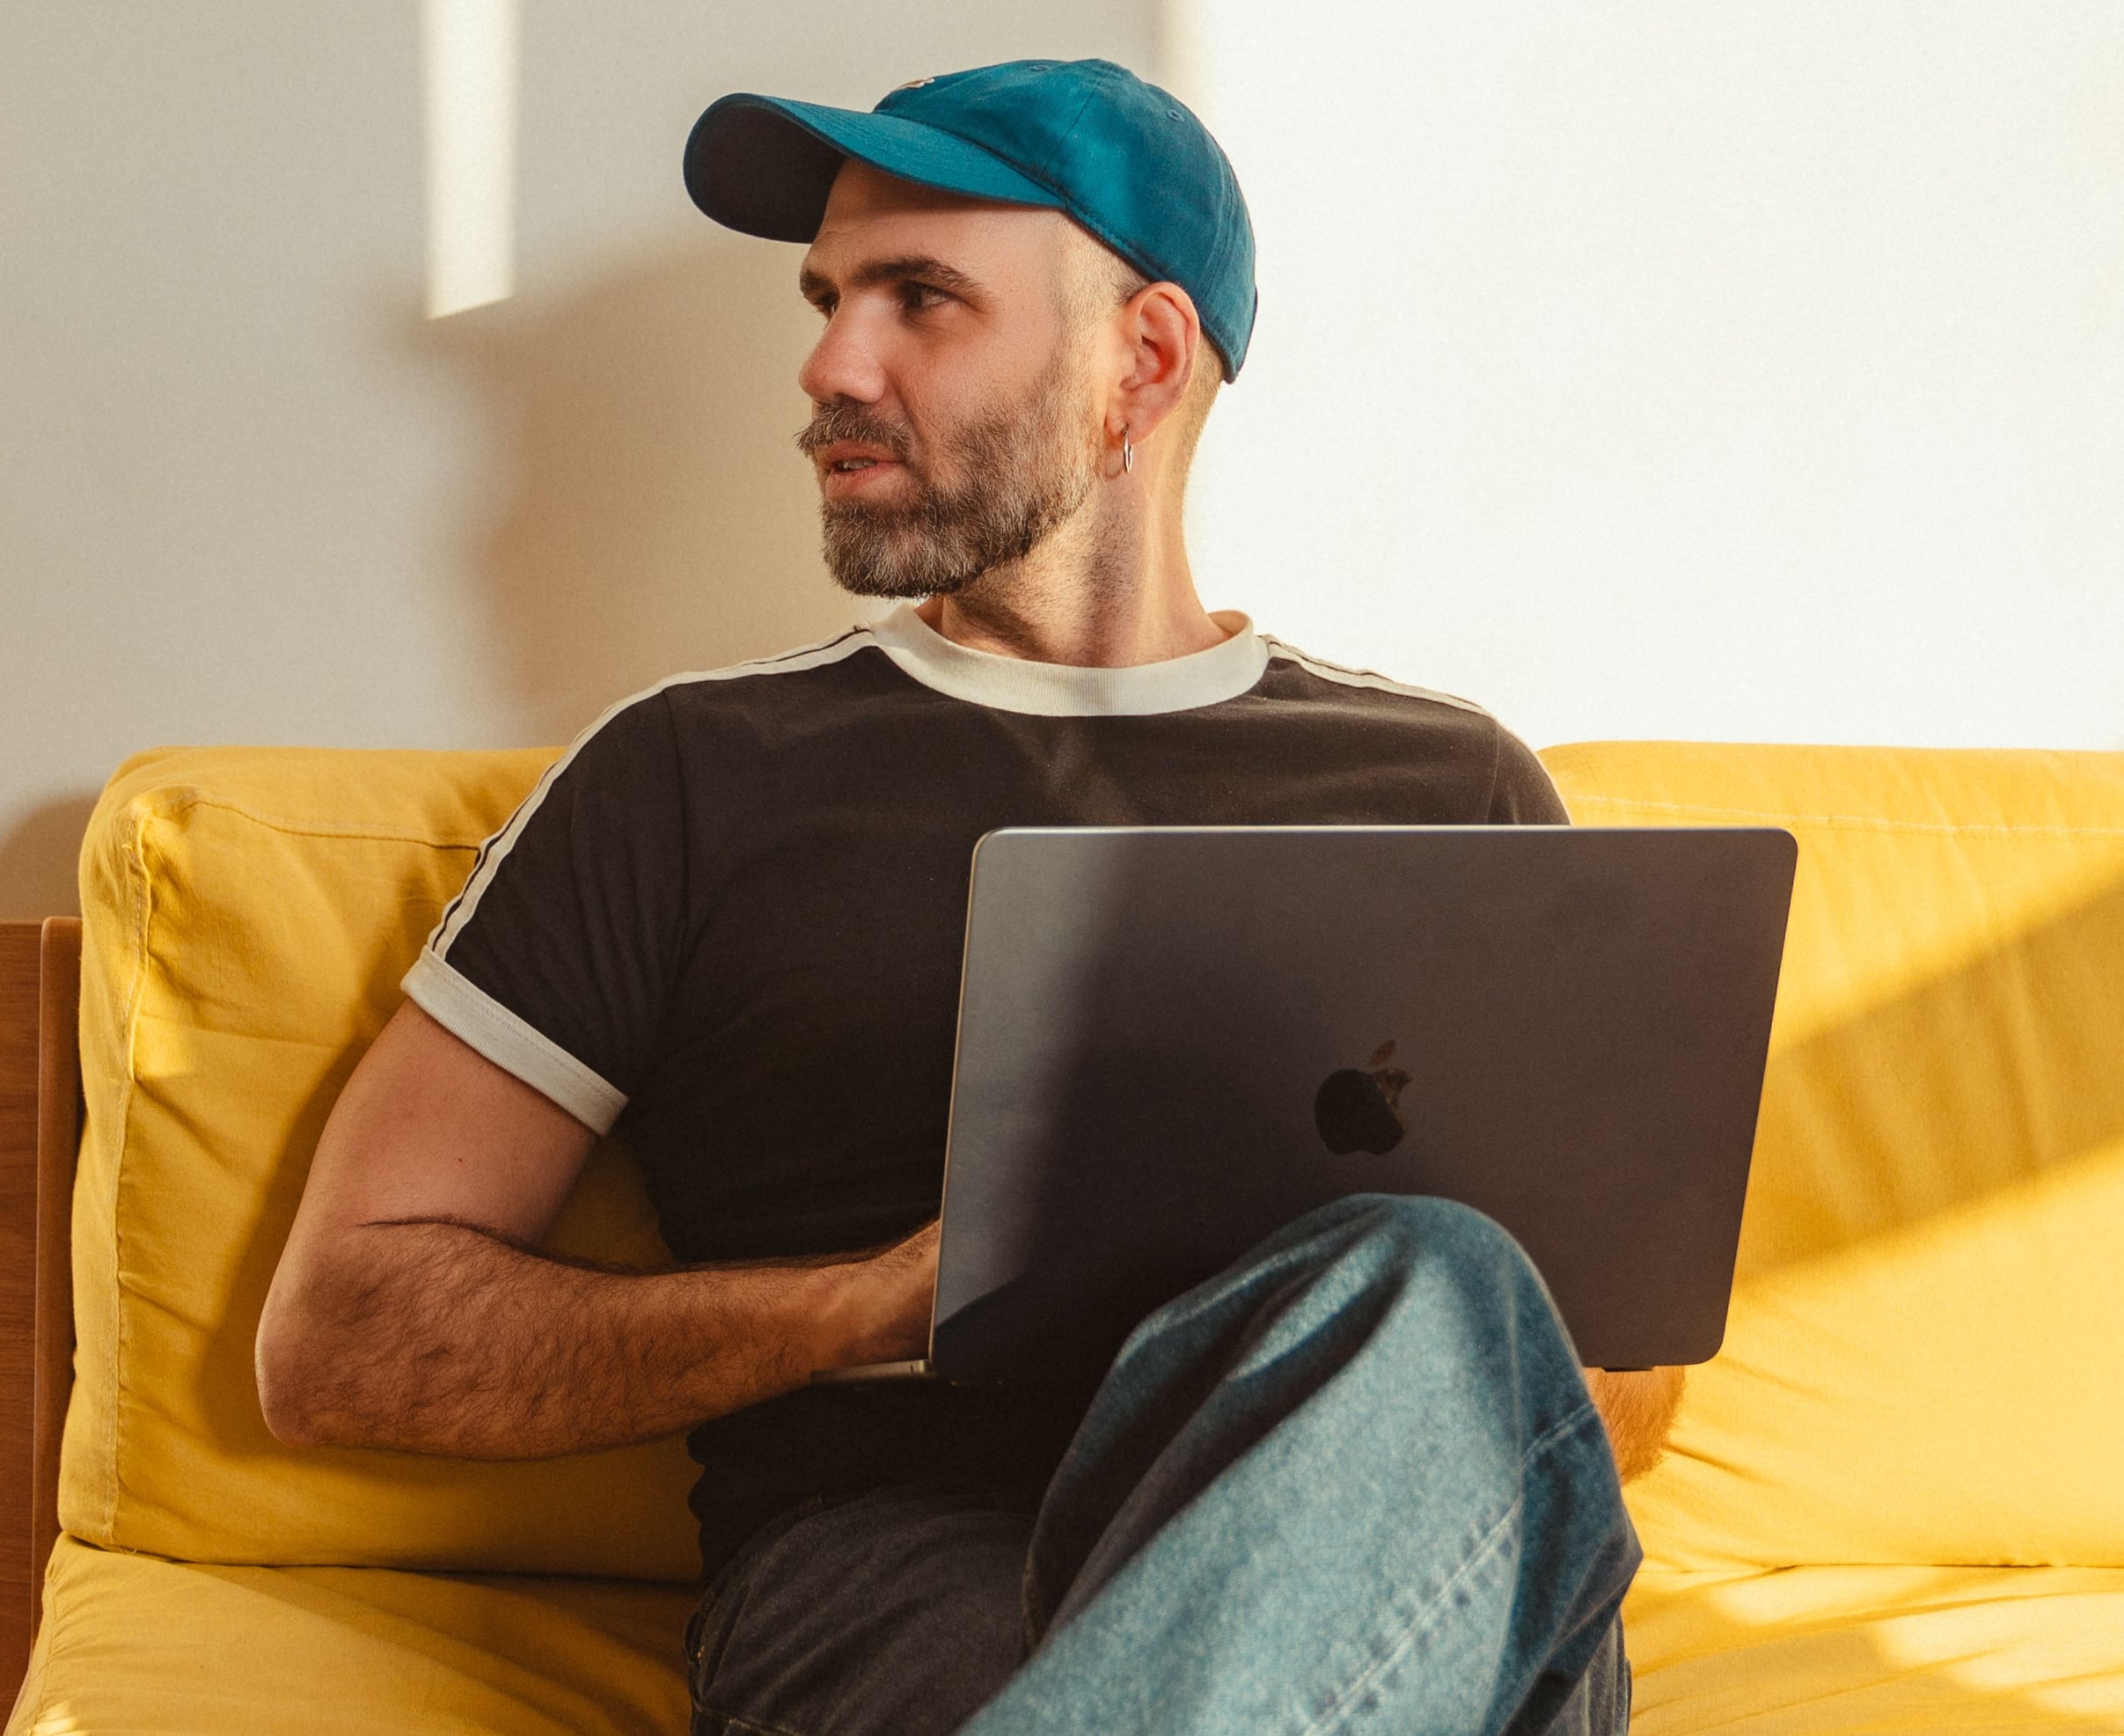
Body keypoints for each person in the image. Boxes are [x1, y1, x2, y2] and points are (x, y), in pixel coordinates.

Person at [254, 58, 1680, 1736]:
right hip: (915, 1560)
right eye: (829, 297)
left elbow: (1611, 1383)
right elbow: (336, 1336)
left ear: (1138, 360)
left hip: (1420, 1546)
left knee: (1441, 1285)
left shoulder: (1452, 789)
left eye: (919, 297)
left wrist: (1329, 1364)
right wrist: (870, 1306)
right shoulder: (694, 775)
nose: (829, 364)